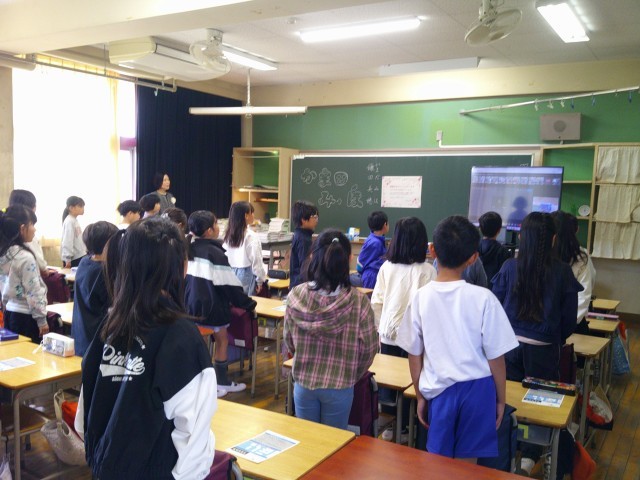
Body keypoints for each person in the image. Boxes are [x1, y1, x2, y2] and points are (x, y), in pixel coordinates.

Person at [75, 216, 217, 480]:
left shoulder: (110, 325)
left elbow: (84, 417)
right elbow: (194, 444)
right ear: (182, 267)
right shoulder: (182, 337)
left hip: (105, 470)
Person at [396, 215, 518, 459]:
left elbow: (414, 354)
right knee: (467, 465)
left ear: (432, 250)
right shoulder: (485, 299)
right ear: (473, 258)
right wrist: (500, 400)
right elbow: (496, 358)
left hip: (439, 390)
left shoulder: (420, 298)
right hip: (479, 391)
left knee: (437, 464)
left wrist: (420, 396)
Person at [491, 212, 582, 476]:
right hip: (544, 349)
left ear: (522, 237)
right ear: (553, 239)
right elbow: (569, 320)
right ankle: (531, 457)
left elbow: (495, 307)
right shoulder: (562, 272)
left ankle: (509, 451)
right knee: (540, 405)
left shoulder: (509, 267)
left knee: (509, 400)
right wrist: (554, 339)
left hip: (510, 347)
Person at [284, 229, 378, 430]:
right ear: (349, 259)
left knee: (307, 441)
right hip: (340, 385)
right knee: (334, 443)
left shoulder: (295, 295)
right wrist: (352, 373)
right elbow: (369, 349)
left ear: (312, 257)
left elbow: (289, 340)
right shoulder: (359, 302)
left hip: (304, 382)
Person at [370, 216, 436, 441]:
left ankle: (391, 426)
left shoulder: (386, 267)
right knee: (413, 381)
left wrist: (380, 329)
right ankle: (409, 427)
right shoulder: (428, 270)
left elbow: (376, 302)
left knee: (389, 384)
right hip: (416, 340)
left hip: (389, 334)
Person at [185, 210, 258, 397]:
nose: (219, 227)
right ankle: (221, 382)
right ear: (209, 230)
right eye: (216, 224)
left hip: (190, 307)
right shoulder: (215, 253)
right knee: (222, 340)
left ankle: (200, 384)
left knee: (199, 345)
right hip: (212, 309)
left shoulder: (187, 248)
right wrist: (248, 303)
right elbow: (229, 285)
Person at [0, 206, 49, 343]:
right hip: (27, 316)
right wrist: (42, 320)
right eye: (32, 224)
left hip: (9, 312)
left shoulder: (4, 253)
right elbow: (33, 291)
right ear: (22, 228)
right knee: (30, 353)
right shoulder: (25, 257)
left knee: (15, 352)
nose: (34, 229)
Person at [72, 221, 118, 357]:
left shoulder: (85, 262)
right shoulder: (105, 271)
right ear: (108, 244)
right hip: (98, 339)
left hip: (82, 334)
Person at [223, 201, 267, 295]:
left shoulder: (228, 235)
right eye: (252, 212)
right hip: (246, 274)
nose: (253, 215)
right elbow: (256, 261)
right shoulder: (251, 236)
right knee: (247, 301)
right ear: (246, 216)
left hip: (230, 272)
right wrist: (260, 280)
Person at [9, 189, 48, 273]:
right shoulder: (27, 234)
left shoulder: (7, 226)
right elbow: (40, 264)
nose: (34, 229)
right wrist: (45, 269)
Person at [353, 210, 389, 289]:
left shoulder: (376, 240)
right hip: (371, 277)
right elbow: (361, 262)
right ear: (385, 225)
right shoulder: (375, 243)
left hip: (373, 275)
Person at [478, 211, 512, 289]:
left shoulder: (471, 249)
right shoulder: (504, 252)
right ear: (499, 230)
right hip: (494, 292)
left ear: (480, 229)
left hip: (474, 291)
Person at [290, 200, 319, 289]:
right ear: (303, 220)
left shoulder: (299, 235)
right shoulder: (304, 240)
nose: (316, 220)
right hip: (301, 286)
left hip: (297, 283)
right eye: (314, 217)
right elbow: (305, 267)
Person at [61, 195, 87, 268]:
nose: (83, 209)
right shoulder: (69, 221)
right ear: (71, 208)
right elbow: (67, 241)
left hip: (79, 256)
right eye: (80, 206)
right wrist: (67, 259)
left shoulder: (74, 220)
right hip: (74, 259)